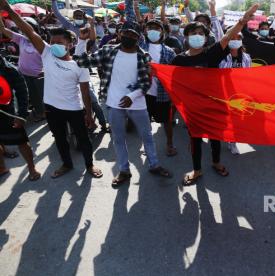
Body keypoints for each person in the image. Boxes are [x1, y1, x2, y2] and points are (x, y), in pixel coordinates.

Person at [0, 0, 103, 179]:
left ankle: (90, 165)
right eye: (51, 41)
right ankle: (66, 164)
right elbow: (28, 31)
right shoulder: (47, 53)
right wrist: (9, 10)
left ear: (70, 44)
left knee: (84, 140)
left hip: (75, 109)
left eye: (58, 42)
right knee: (60, 140)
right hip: (52, 109)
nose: (53, 44)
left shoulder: (80, 63)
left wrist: (88, 113)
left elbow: (85, 91)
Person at [75, 21, 172, 186]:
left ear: (138, 37)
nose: (129, 37)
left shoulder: (144, 56)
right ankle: (124, 170)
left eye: (133, 35)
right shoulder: (108, 50)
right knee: (118, 139)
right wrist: (82, 41)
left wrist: (132, 96)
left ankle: (154, 165)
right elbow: (82, 62)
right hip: (114, 104)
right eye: (126, 33)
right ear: (120, 34)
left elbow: (145, 84)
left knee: (147, 136)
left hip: (138, 104)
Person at [171, 4, 259, 186]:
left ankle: (216, 162)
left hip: (214, 105)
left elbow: (227, 37)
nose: (197, 36)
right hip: (192, 109)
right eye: (193, 33)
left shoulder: (212, 54)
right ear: (186, 36)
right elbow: (173, 84)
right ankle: (197, 169)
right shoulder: (178, 59)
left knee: (215, 137)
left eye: (201, 34)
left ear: (205, 38)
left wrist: (243, 20)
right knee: (195, 140)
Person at [0, 55, 41, 181]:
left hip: (9, 114)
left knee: (21, 142)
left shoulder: (10, 69)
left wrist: (21, 116)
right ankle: (1, 167)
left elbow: (22, 93)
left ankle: (31, 168)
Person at [142, 19, 177, 156]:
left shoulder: (169, 52)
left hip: (163, 94)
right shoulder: (140, 47)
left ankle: (169, 144)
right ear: (145, 30)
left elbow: (174, 75)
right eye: (150, 27)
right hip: (144, 93)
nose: (153, 30)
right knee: (145, 123)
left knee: (167, 122)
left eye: (157, 28)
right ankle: (148, 146)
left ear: (162, 31)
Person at [0, 15, 45, 122]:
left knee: (41, 98)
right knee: (32, 97)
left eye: (27, 29)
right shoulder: (22, 39)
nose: (24, 31)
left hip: (38, 76)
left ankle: (44, 115)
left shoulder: (41, 43)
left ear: (34, 29)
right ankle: (39, 113)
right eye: (23, 29)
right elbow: (3, 30)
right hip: (23, 74)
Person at [218, 30, 252, 154]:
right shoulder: (220, 55)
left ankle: (232, 141)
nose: (235, 40)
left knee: (236, 118)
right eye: (232, 37)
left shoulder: (246, 57)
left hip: (239, 93)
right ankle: (219, 137)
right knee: (223, 117)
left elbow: (249, 75)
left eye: (238, 37)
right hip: (223, 91)